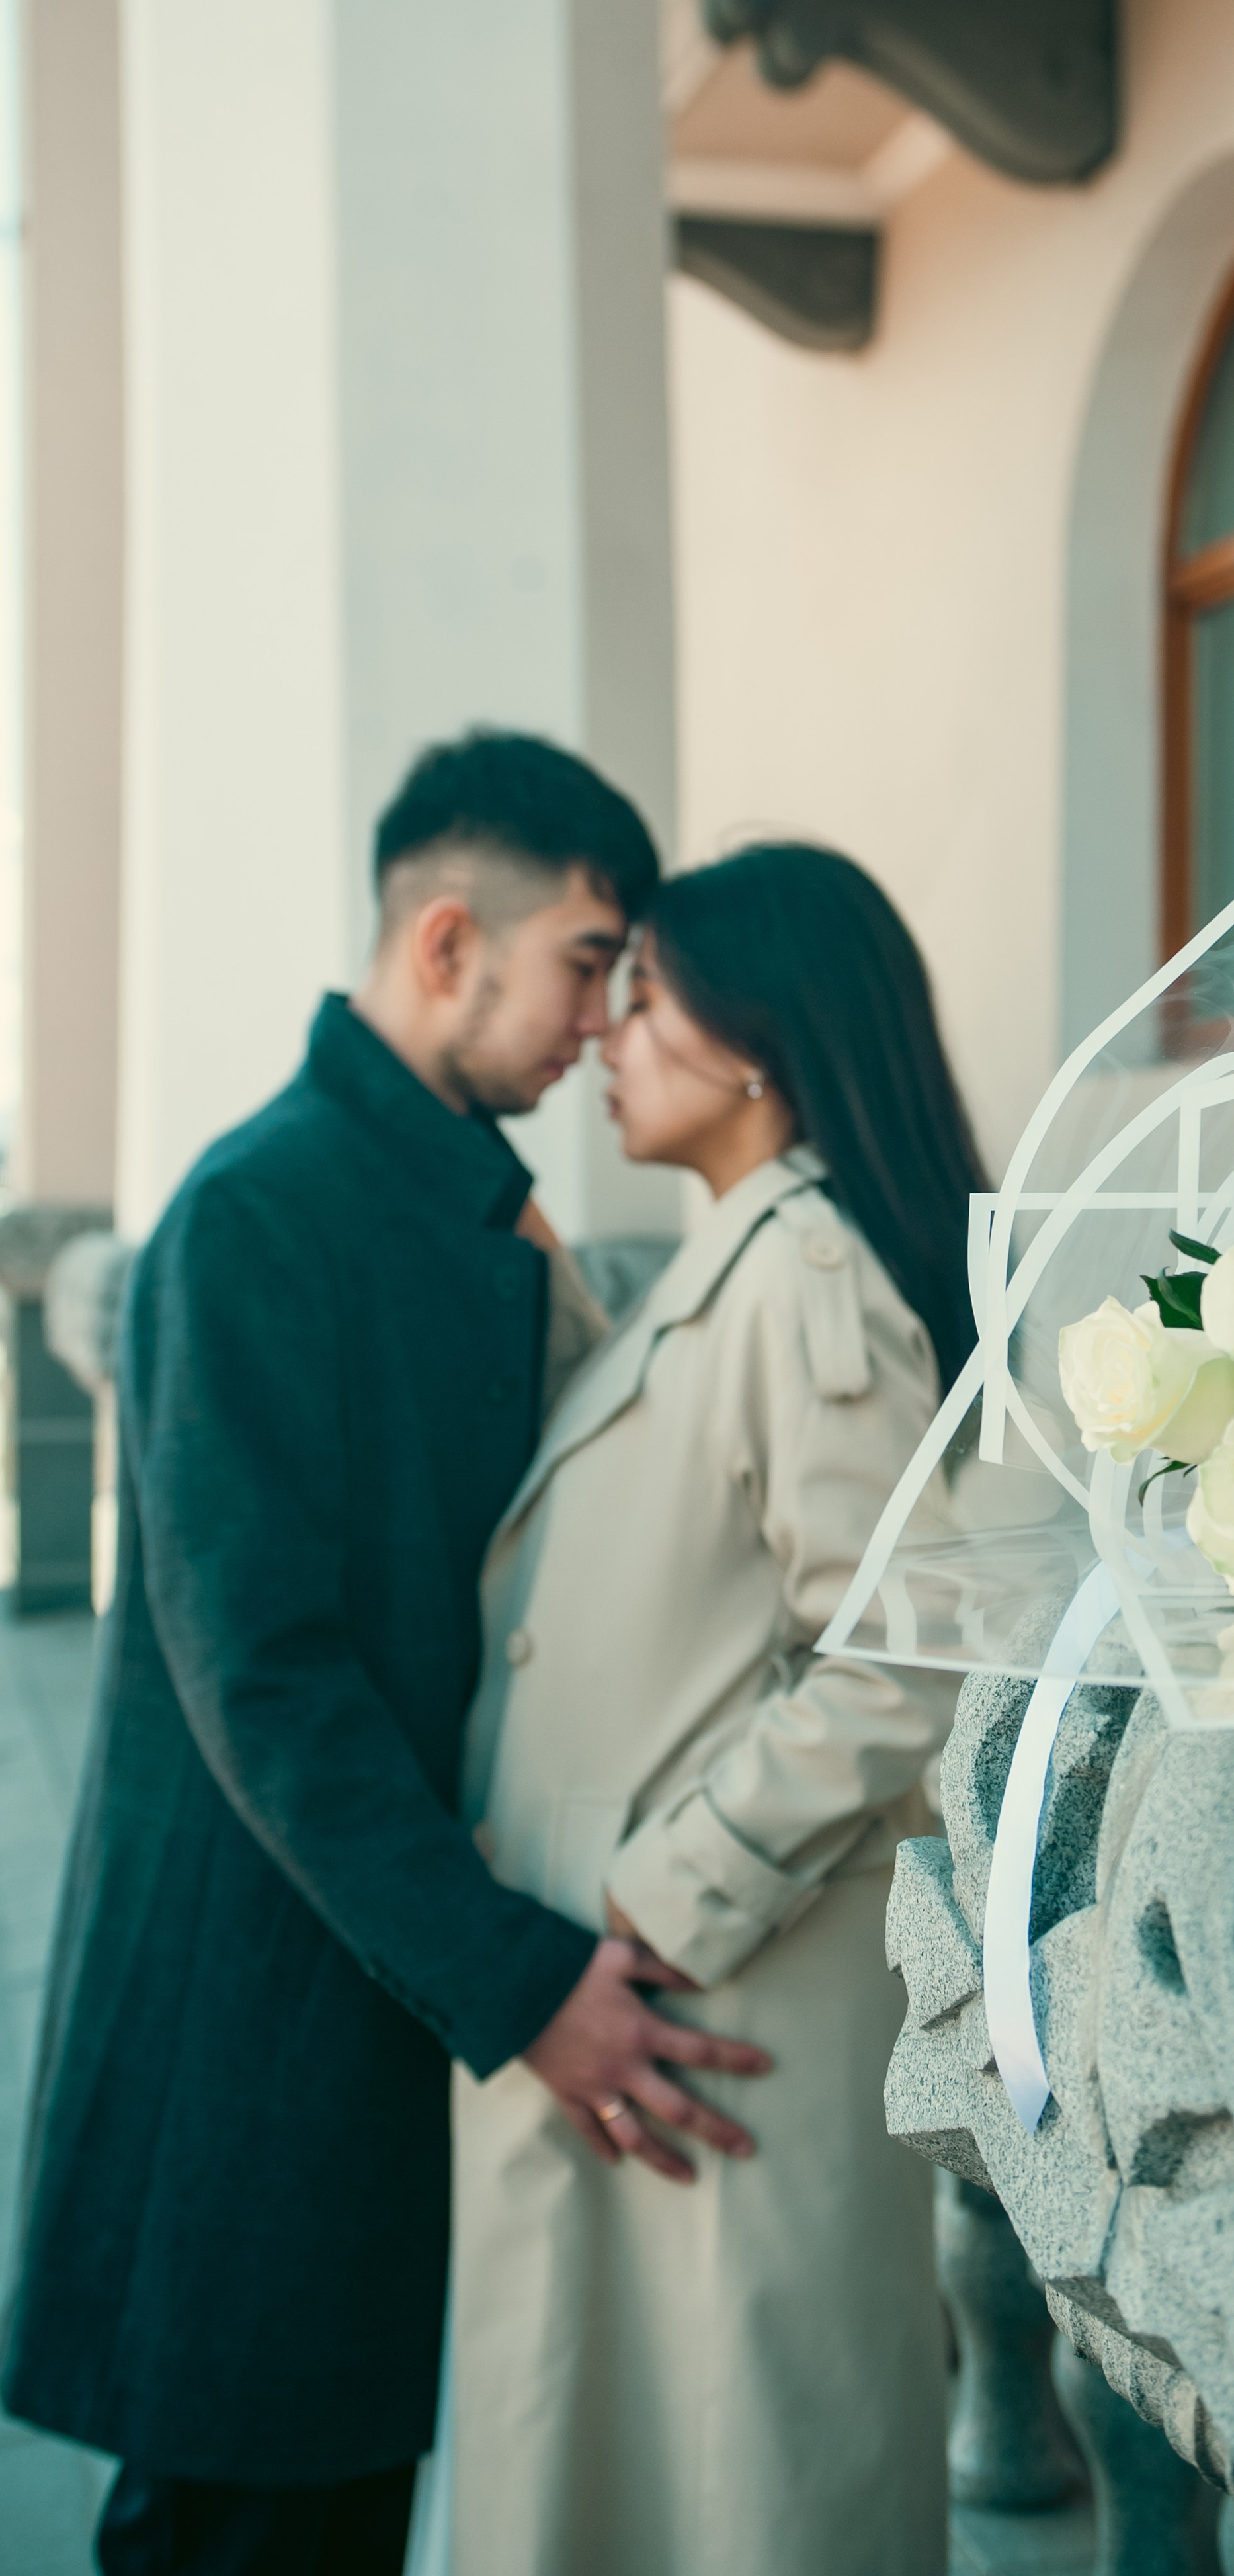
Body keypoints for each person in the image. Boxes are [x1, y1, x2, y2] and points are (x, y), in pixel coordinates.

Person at [0, 732, 770, 2576]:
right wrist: (525, 1985)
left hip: (379, 1983)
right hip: (258, 2021)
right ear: (449, 943)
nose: (606, 1020)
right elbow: (264, 1677)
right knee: (239, 2529)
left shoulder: (459, 1200)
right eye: (589, 962)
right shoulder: (257, 1212)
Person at [442, 843, 987, 2576]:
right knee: (626, 2470)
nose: (606, 1031)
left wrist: (645, 1899)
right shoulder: (738, 1264)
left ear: (757, 1040)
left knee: (752, 2483)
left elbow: (905, 1657)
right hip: (642, 2003)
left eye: (649, 996)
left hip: (710, 1995)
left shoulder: (808, 1269)